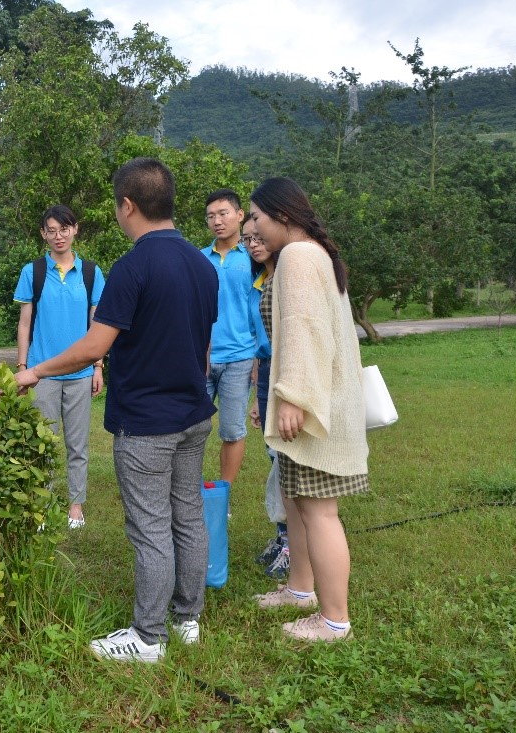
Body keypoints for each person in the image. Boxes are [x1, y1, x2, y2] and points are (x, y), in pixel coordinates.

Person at [16, 158, 218, 662]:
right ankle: (187, 618)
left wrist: (36, 371)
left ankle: (148, 637)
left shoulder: (133, 266)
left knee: (151, 526)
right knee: (188, 515)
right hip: (194, 413)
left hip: (147, 423)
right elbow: (204, 345)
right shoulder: (201, 264)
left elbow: (93, 347)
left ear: (127, 205)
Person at [248, 177, 369, 642]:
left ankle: (334, 620)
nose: (252, 228)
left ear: (282, 215)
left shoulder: (299, 255)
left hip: (313, 403)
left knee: (319, 511)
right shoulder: (314, 253)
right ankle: (300, 590)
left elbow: (304, 330)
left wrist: (293, 397)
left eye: (257, 217)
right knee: (297, 502)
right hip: (321, 398)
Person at [14, 205, 105, 529]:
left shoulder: (91, 273)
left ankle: (75, 506)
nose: (58, 236)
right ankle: (42, 503)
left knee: (77, 443)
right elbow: (25, 323)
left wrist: (98, 366)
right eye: (51, 230)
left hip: (81, 373)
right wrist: (23, 366)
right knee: (43, 442)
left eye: (64, 229)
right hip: (43, 374)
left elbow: (97, 325)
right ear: (43, 234)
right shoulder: (33, 272)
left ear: (75, 229)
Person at [201, 190, 256, 498]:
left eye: (223, 213)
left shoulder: (254, 257)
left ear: (240, 215)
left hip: (240, 357)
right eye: (211, 216)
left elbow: (261, 310)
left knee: (232, 430)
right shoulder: (198, 258)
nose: (217, 221)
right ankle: (188, 492)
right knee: (190, 428)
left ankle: (223, 495)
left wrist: (258, 359)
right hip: (201, 357)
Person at [244, 219, 289, 579]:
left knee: (288, 459)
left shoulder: (289, 278)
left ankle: (293, 543)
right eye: (247, 240)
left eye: (258, 237)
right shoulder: (258, 282)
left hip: (288, 368)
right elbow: (261, 343)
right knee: (273, 456)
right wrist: (258, 397)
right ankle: (283, 535)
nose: (254, 244)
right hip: (266, 369)